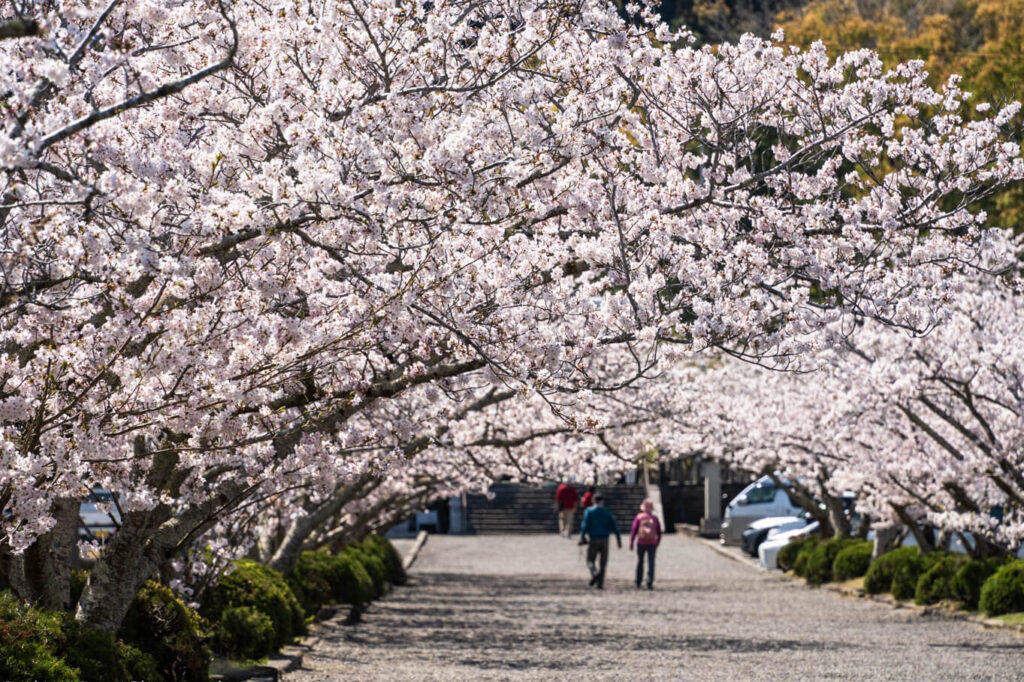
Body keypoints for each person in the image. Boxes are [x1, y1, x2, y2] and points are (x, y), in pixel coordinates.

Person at [579, 493, 621, 589]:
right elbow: (614, 526)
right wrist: (618, 539)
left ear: (593, 501)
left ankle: (594, 573)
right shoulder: (607, 512)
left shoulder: (589, 511)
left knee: (590, 560)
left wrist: (582, 536)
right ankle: (600, 583)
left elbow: (585, 525)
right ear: (602, 501)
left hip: (593, 539)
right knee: (603, 563)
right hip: (605, 539)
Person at [629, 498, 662, 590]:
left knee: (640, 561)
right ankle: (649, 581)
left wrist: (631, 541)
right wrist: (657, 542)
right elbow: (659, 532)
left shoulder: (639, 517)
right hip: (652, 543)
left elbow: (634, 529)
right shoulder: (654, 518)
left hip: (641, 542)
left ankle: (638, 581)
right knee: (651, 562)